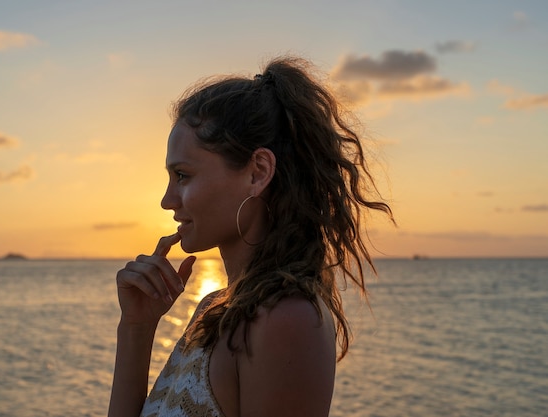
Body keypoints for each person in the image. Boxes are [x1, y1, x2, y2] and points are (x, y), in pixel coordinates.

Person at [108, 56, 393, 417]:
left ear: (258, 172)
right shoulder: (214, 308)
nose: (167, 200)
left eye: (182, 175)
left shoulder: (284, 320)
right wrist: (136, 327)